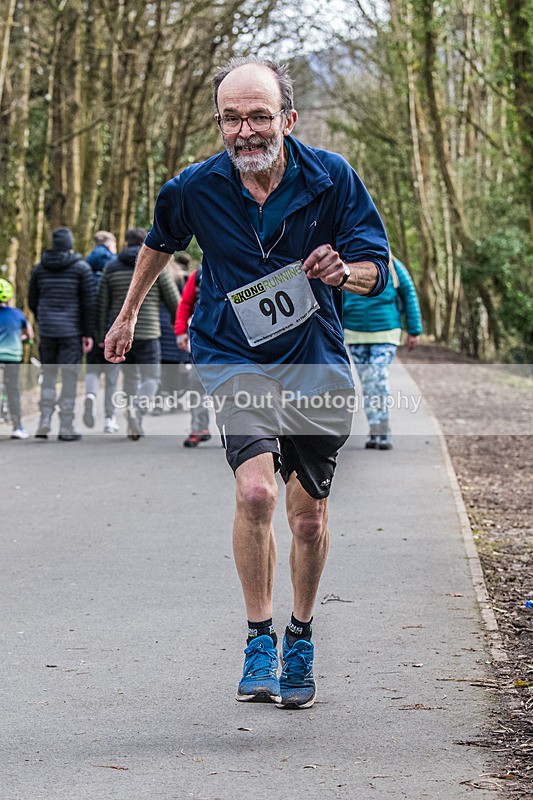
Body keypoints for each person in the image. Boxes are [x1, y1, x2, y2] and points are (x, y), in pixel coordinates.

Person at [104, 56, 389, 708]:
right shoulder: (193, 187)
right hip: (232, 353)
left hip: (313, 356)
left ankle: (301, 633)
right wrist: (125, 316)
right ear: (219, 123)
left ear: (287, 119)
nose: (245, 131)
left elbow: (379, 268)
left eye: (258, 116)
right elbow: (159, 240)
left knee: (309, 520)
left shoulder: (332, 178)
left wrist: (343, 272)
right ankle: (259, 633)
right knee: (256, 490)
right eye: (231, 118)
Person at [96, 227, 179, 440]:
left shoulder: (110, 267)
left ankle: (135, 421)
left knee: (131, 376)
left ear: (125, 243)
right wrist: (175, 321)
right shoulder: (156, 264)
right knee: (152, 376)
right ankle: (138, 411)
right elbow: (173, 299)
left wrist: (102, 333)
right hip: (149, 331)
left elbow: (101, 303)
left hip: (120, 332)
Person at [343, 252, 422, 449]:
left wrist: (414, 330)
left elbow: (409, 294)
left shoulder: (393, 265)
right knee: (367, 382)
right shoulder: (346, 262)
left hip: (386, 332)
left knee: (377, 378)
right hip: (354, 331)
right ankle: (374, 428)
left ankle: (383, 429)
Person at [28, 226, 95, 441]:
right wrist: (88, 333)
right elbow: (88, 303)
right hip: (72, 332)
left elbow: (32, 300)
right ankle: (66, 426)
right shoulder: (81, 268)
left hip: (47, 330)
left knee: (48, 374)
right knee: (69, 376)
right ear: (71, 245)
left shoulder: (39, 268)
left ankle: (44, 420)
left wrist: (43, 320)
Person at [83, 230, 121, 433]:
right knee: (113, 376)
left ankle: (90, 395)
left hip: (91, 327)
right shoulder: (115, 265)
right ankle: (109, 418)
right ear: (109, 245)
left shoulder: (84, 265)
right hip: (112, 326)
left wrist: (90, 332)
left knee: (93, 370)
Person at [174, 265, 212, 447]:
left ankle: (236, 434)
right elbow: (185, 304)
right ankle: (199, 428)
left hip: (233, 341)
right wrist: (181, 331)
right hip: (202, 340)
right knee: (196, 383)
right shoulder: (198, 275)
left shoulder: (238, 264)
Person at [152, 253, 190, 415]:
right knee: (173, 368)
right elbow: (181, 302)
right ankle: (174, 402)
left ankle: (158, 403)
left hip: (155, 325)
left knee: (157, 368)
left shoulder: (151, 274)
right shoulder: (178, 276)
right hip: (171, 325)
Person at [0, 277, 34, 439]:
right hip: (13, 357)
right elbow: (29, 334)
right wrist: (25, 339)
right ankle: (18, 427)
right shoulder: (18, 314)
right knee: (13, 389)